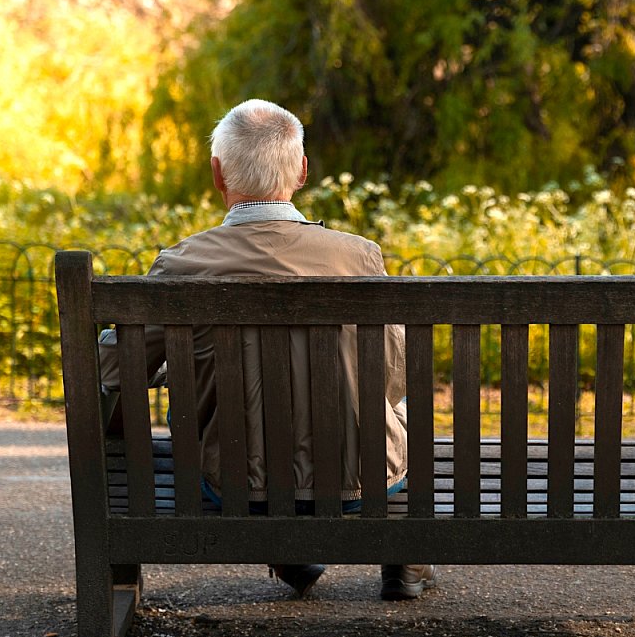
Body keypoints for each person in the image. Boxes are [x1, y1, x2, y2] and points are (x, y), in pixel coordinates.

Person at [97, 99, 434, 601]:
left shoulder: (183, 264)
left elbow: (112, 369)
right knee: (396, 411)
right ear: (302, 171)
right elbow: (392, 376)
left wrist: (177, 369)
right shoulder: (359, 257)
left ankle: (290, 551)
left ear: (217, 173)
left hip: (233, 486)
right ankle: (406, 558)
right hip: (361, 482)